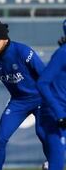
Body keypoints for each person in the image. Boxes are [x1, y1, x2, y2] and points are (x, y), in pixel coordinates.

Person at [0, 18, 48, 170]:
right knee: (0, 139)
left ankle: (51, 164)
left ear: (5, 39)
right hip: (18, 102)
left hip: (39, 99)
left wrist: (52, 101)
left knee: (43, 134)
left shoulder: (23, 51)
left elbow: (45, 76)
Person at [37, 19, 66, 170]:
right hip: (57, 116)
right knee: (57, 164)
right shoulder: (62, 53)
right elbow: (42, 83)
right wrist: (59, 113)